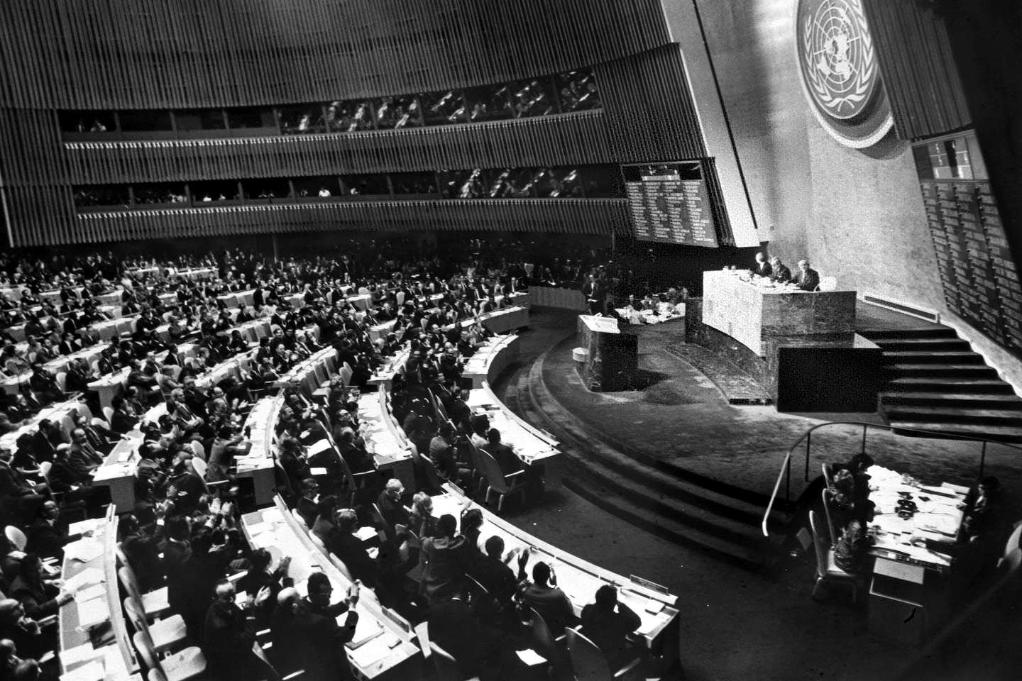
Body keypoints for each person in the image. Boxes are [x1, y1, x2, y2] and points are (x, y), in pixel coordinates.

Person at [290, 572, 360, 681]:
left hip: (315, 657)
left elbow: (324, 612)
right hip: (330, 669)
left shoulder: (304, 603)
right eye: (325, 594)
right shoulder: (318, 622)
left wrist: (345, 603)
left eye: (330, 591)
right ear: (313, 594)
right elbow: (346, 634)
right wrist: (353, 608)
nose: (329, 596)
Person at [202, 580, 275, 681]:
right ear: (215, 599)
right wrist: (250, 613)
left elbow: (242, 620)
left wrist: (256, 604)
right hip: (231, 669)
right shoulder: (219, 625)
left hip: (240, 655)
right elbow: (246, 641)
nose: (232, 599)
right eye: (227, 597)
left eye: (233, 594)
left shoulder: (225, 605)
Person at [580, 585, 642, 668]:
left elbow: (596, 606)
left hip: (589, 656)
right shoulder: (618, 621)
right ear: (613, 603)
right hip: (609, 661)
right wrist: (621, 605)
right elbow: (637, 621)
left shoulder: (587, 610)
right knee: (641, 646)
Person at [518, 561, 577, 635]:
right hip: (555, 632)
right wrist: (556, 586)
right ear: (548, 577)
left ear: (533, 575)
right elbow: (570, 611)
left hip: (539, 631)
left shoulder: (526, 592)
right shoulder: (558, 595)